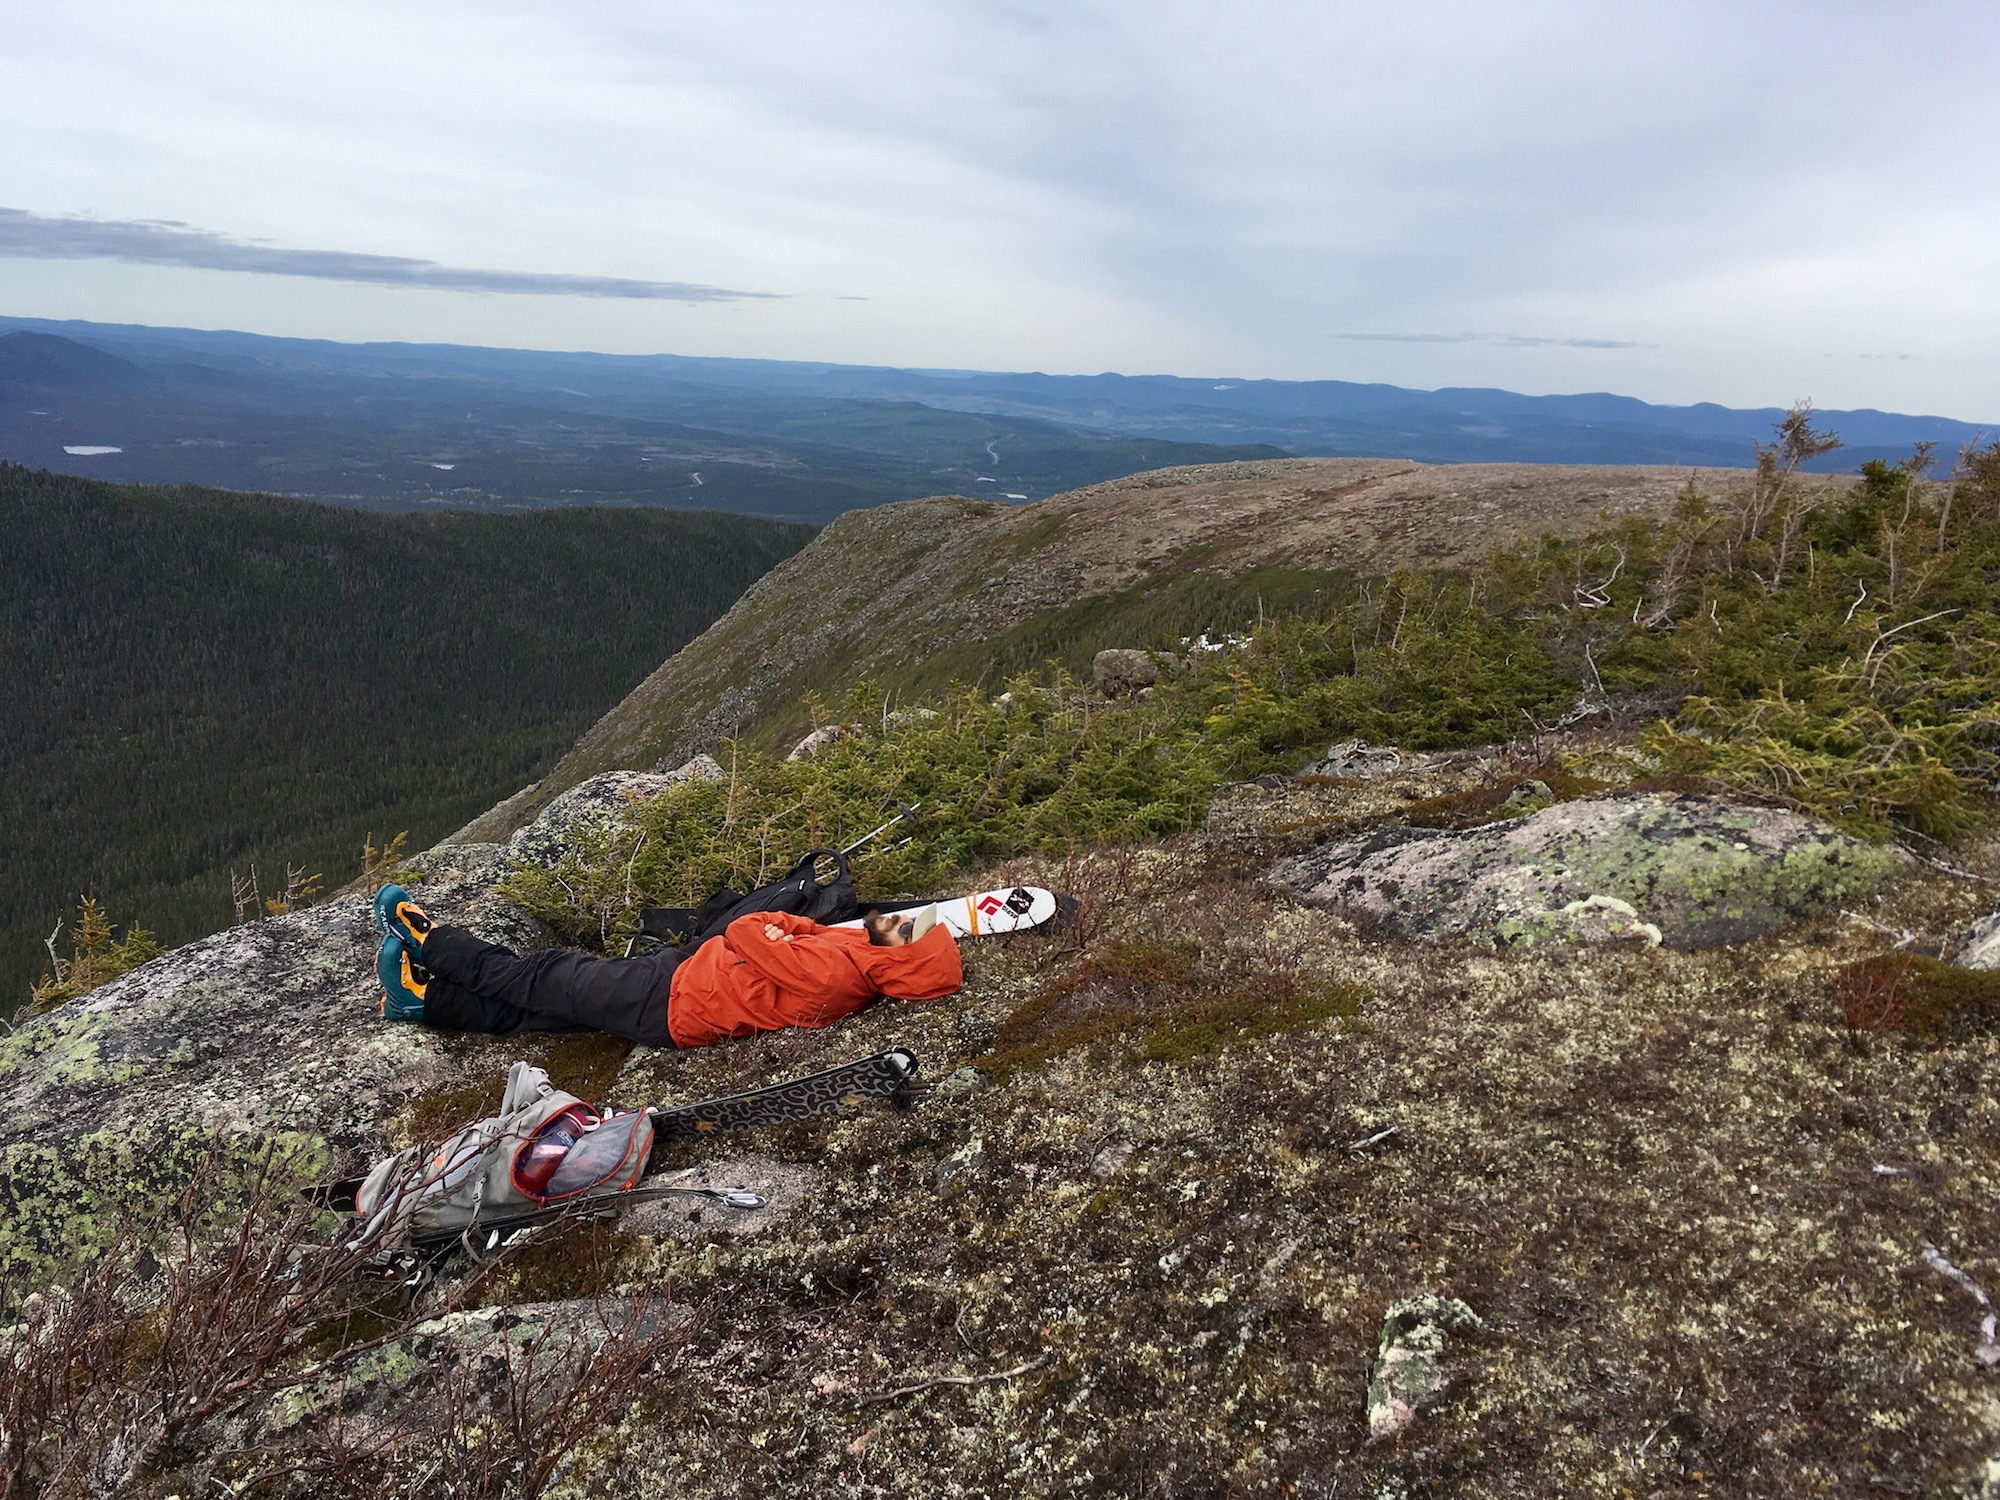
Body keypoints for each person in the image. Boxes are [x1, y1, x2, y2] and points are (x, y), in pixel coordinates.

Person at [370, 884, 962, 1049]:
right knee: (544, 1013)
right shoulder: (854, 960)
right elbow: (783, 938)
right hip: (678, 987)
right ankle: (422, 1003)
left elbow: (746, 929)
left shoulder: (839, 978)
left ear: (902, 963)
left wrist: (788, 928)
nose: (895, 921)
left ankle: (431, 943)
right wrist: (795, 931)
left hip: (670, 997)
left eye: (907, 931)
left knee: (544, 975)